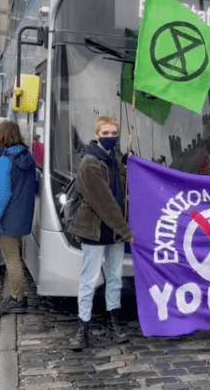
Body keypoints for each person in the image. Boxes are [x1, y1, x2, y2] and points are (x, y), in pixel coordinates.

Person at [67, 116, 133, 351]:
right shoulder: (90, 162)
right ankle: (83, 327)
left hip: (113, 233)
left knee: (114, 278)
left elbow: (122, 189)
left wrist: (129, 166)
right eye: (105, 133)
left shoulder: (113, 159)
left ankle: (113, 321)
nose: (110, 137)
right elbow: (104, 202)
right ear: (97, 134)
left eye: (114, 132)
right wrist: (126, 231)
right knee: (89, 279)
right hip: (95, 231)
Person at [0, 120, 38, 316]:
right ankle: (18, 296)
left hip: (7, 217)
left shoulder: (4, 162)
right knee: (16, 257)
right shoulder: (27, 157)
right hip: (22, 215)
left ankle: (18, 299)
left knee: (12, 260)